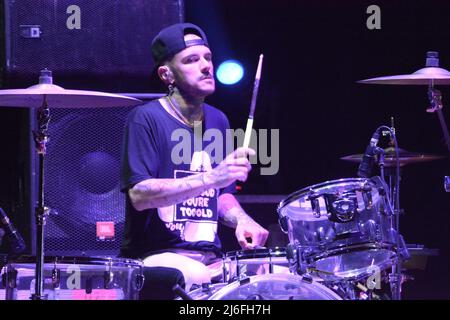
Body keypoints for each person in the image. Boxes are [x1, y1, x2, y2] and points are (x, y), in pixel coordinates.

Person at [119, 22, 269, 294]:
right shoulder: (145, 119)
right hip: (157, 257)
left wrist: (242, 220)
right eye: (191, 60)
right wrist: (211, 177)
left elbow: (221, 196)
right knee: (197, 275)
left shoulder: (218, 120)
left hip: (209, 258)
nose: (205, 66)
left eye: (208, 57)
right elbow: (140, 196)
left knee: (271, 273)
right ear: (167, 74)